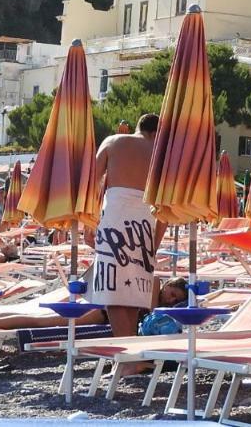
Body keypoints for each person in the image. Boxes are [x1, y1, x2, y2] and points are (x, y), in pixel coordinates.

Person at [89, 112, 163, 339]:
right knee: (134, 291)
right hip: (146, 223)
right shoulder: (162, 155)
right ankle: (131, 351)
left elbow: (90, 182)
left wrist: (88, 224)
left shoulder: (113, 142)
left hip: (115, 218)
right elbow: (166, 209)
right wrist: (155, 243)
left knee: (112, 291)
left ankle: (127, 354)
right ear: (155, 133)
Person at [0, 278, 188, 333]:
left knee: (39, 318)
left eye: (176, 299)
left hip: (99, 306)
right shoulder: (152, 284)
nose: (172, 299)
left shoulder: (152, 290)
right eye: (173, 293)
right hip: (102, 313)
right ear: (168, 285)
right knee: (42, 323)